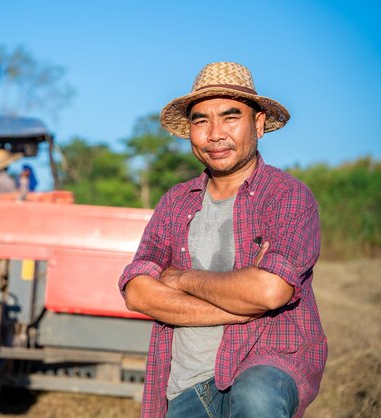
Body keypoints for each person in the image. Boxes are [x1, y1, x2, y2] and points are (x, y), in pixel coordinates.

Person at [119, 62, 327, 418]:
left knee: (257, 398)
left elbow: (269, 292)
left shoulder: (288, 197)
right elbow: (138, 292)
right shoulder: (175, 202)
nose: (215, 134)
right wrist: (239, 307)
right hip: (186, 383)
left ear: (258, 124)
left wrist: (182, 279)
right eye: (201, 121)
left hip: (265, 362)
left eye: (230, 117)